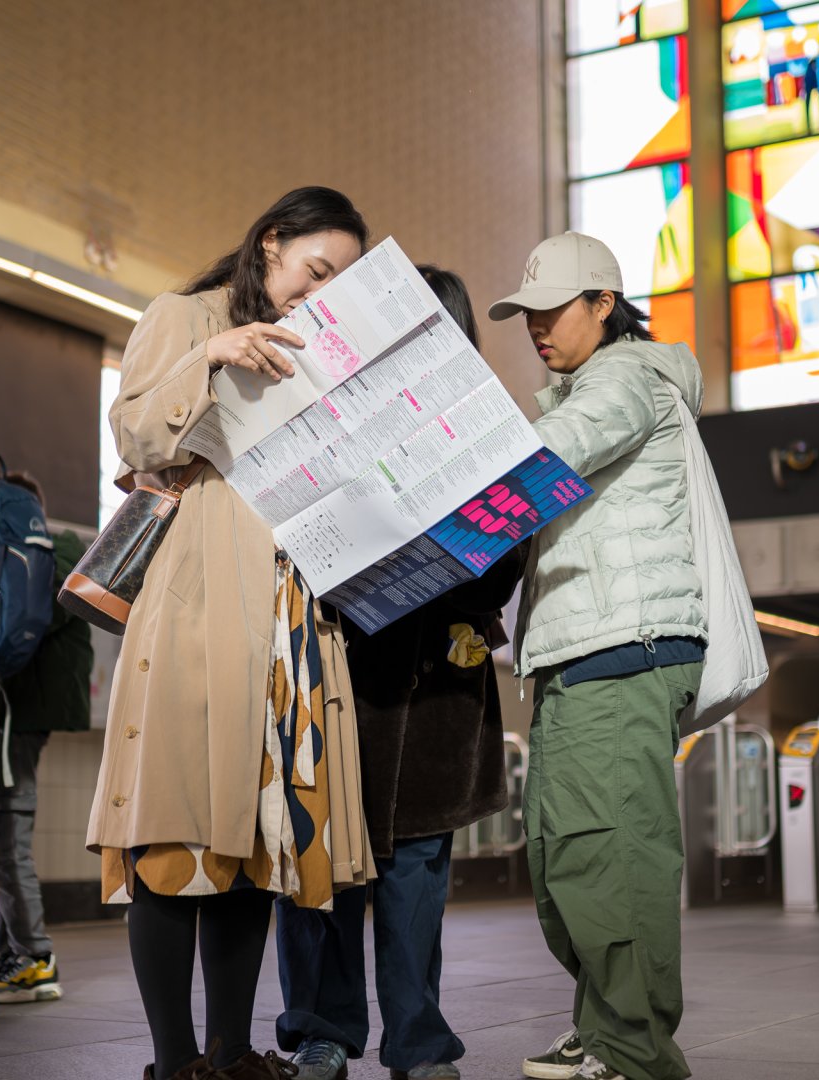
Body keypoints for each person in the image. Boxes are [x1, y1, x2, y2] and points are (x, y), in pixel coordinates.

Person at [88, 185, 375, 1080]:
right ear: (270, 244)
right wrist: (211, 355)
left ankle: (231, 1049)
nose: (318, 295)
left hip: (289, 609)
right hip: (199, 603)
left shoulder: (320, 349)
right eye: (314, 271)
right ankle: (176, 1061)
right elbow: (135, 435)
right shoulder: (185, 317)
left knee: (252, 839)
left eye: (337, 285)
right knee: (175, 828)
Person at [275, 267, 526, 1080]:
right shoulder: (326, 420)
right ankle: (322, 1031)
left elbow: (501, 572)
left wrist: (472, 541)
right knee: (321, 864)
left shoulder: (487, 433)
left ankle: (417, 1040)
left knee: (414, 874)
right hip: (335, 675)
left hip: (434, 689)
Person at [488, 233, 707, 1080]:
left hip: (621, 649)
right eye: (528, 314)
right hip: (585, 654)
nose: (536, 327)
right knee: (568, 858)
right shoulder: (589, 385)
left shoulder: (622, 376)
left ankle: (634, 1052)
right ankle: (605, 1025)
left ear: (604, 304)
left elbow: (550, 457)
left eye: (553, 310)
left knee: (611, 856)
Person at [0, 470, 91, 1005]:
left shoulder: (54, 552)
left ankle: (32, 956)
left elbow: (32, 618)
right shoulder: (47, 554)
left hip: (18, 713)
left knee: (7, 834)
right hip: (14, 711)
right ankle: (12, 951)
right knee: (0, 833)